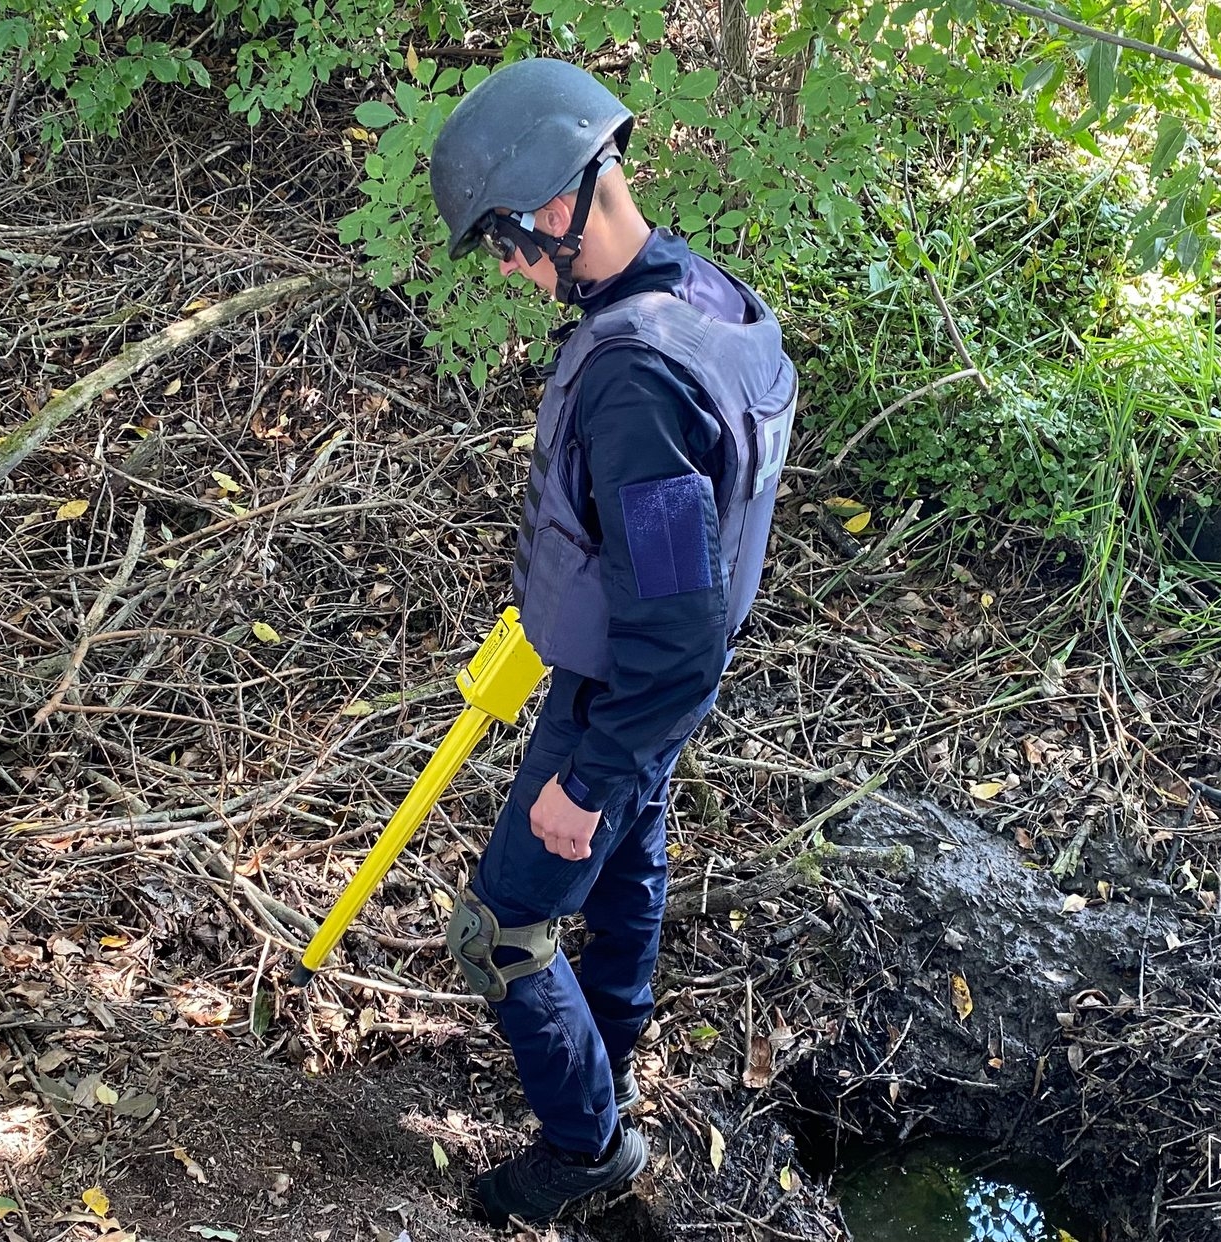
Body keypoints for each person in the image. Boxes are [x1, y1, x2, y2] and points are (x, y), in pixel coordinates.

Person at [425, 58, 799, 1227]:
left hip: (621, 698)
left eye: (501, 243)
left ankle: (589, 1147)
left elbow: (677, 621)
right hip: (645, 699)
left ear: (549, 211)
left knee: (502, 930)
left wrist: (588, 772)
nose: (508, 268)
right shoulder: (706, 297)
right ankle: (615, 1046)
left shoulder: (633, 380)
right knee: (629, 870)